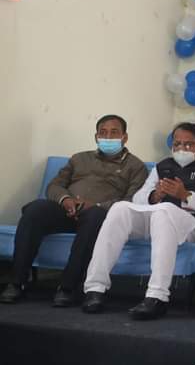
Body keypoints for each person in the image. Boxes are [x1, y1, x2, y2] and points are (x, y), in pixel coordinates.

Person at [82, 123, 195, 319]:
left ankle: (157, 296)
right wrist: (154, 195)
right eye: (177, 144)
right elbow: (138, 199)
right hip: (158, 220)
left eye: (188, 144)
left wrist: (186, 195)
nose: (182, 149)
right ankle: (95, 289)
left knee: (164, 211)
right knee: (120, 208)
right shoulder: (163, 166)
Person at [0, 115, 147, 306]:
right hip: (68, 210)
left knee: (95, 216)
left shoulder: (136, 166)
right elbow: (55, 185)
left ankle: (67, 287)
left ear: (124, 137)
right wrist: (66, 200)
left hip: (99, 216)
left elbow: (132, 200)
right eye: (103, 133)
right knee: (35, 209)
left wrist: (96, 206)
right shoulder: (79, 159)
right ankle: (16, 282)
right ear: (96, 137)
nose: (108, 137)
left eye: (114, 133)